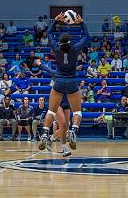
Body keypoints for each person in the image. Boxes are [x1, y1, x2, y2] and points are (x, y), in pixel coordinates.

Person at [38, 13, 89, 155]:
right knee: (78, 112)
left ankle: (44, 134)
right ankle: (73, 131)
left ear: (60, 42)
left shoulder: (56, 48)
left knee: (50, 111)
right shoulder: (75, 49)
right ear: (70, 41)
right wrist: (81, 23)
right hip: (72, 82)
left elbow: (48, 33)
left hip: (59, 81)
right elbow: (86, 37)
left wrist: (55, 21)